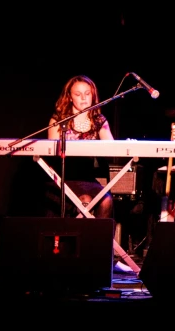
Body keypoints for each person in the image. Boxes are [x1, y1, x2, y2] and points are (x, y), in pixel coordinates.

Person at [44, 75, 132, 273]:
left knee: (106, 200)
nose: (83, 98)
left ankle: (102, 256)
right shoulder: (59, 120)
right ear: (69, 97)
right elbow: (52, 152)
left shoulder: (98, 119)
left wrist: (125, 144)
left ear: (93, 96)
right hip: (63, 177)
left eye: (87, 94)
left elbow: (111, 148)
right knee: (83, 200)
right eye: (78, 94)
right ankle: (76, 257)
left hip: (86, 178)